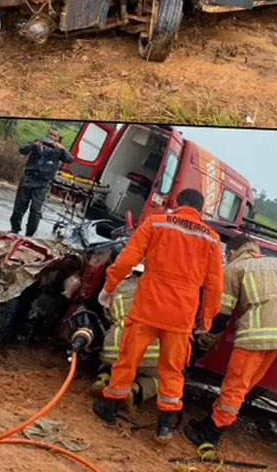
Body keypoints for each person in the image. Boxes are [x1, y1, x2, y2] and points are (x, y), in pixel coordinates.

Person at [92, 188, 223, 440]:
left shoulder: (157, 222)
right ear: (200, 210)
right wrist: (206, 317)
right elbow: (215, 283)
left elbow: (127, 258)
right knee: (172, 371)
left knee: (127, 360)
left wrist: (109, 287)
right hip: (181, 315)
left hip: (148, 307)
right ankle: (164, 426)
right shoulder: (212, 239)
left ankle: (109, 410)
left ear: (177, 204)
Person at [184, 234, 277, 448]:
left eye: (227, 255)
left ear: (233, 253)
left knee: (234, 387)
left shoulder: (234, 270)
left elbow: (221, 317)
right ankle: (211, 423)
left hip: (253, 337)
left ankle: (210, 435)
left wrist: (203, 343)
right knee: (242, 387)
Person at [91, 268, 161, 412]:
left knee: (109, 361)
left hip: (116, 348)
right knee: (160, 377)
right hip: (152, 354)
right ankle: (134, 392)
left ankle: (103, 378)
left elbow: (108, 316)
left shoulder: (118, 286)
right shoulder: (162, 292)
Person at [9, 128, 73, 237]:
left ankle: (29, 234)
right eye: (50, 134)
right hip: (29, 177)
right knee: (19, 205)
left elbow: (70, 159)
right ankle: (15, 229)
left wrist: (62, 149)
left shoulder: (58, 150)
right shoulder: (38, 142)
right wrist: (33, 145)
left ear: (57, 138)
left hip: (43, 182)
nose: (51, 137)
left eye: (54, 136)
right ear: (47, 134)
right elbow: (22, 150)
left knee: (35, 209)